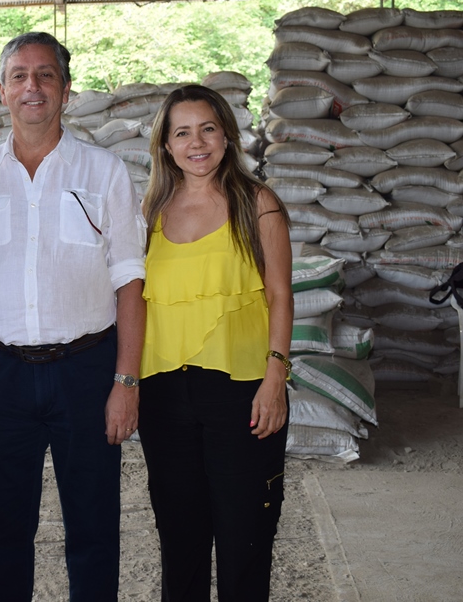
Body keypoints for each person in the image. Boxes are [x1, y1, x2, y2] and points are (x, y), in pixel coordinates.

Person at [0, 32, 147, 601]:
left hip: (86, 371)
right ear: (2, 91)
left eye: (45, 75)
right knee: (4, 524)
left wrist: (125, 381)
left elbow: (130, 280)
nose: (31, 86)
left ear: (66, 89)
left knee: (92, 524)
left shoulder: (105, 172)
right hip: (1, 372)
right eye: (18, 75)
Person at [140, 84, 292, 602]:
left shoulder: (257, 203)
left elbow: (280, 294)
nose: (196, 142)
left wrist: (276, 378)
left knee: (243, 536)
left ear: (227, 135)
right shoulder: (150, 212)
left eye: (207, 128)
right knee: (179, 539)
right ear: (165, 144)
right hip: (163, 395)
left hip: (242, 390)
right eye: (181, 132)